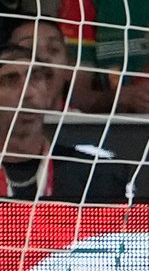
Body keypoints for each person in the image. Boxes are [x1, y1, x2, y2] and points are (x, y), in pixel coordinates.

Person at [0, 43, 128, 202]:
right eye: (10, 81)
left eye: (35, 77)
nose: (27, 92)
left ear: (48, 91)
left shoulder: (97, 174)